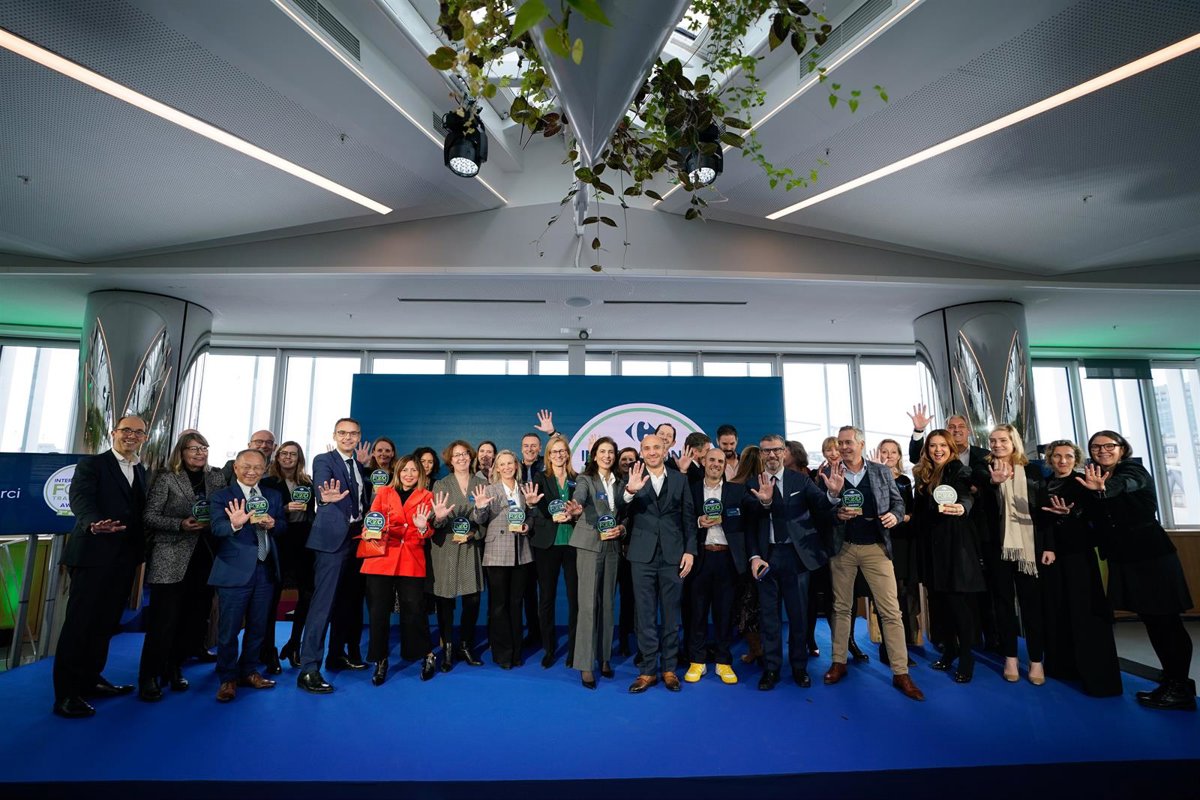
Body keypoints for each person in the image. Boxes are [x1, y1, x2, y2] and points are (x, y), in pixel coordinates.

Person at [1076, 430, 1194, 710]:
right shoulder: (1093, 477)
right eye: (1096, 447)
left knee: (1167, 622)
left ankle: (1180, 686)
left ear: (1122, 448)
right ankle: (1174, 680)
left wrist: (1103, 488)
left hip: (1152, 558)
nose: (1102, 451)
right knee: (1153, 621)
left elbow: (1124, 485)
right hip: (1126, 559)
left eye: (1109, 446)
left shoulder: (1133, 470)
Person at [52, 416, 149, 718]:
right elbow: (80, 500)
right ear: (113, 433)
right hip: (92, 556)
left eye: (138, 432)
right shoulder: (92, 465)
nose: (131, 436)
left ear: (144, 438)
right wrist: (94, 523)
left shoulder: (141, 470)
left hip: (124, 560)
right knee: (80, 625)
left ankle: (90, 680)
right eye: (126, 430)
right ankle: (66, 694)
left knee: (105, 624)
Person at [821, 427, 924, 701]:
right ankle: (838, 661)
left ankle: (901, 672)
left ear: (861, 444)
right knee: (841, 608)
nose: (844, 447)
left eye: (848, 442)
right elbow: (821, 513)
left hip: (877, 549)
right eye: (840, 443)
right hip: (843, 549)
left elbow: (898, 504)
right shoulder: (830, 472)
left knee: (891, 611)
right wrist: (835, 505)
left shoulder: (880, 471)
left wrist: (894, 516)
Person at [745, 434, 841, 691]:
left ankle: (799, 667)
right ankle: (772, 668)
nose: (772, 455)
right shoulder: (753, 483)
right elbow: (749, 523)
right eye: (767, 451)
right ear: (761, 454)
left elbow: (821, 506)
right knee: (769, 617)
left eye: (777, 450)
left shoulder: (800, 480)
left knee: (798, 616)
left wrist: (833, 494)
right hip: (766, 557)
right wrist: (764, 503)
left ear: (785, 452)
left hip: (797, 557)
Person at [138, 431, 226, 702]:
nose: (200, 453)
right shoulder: (166, 477)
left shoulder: (216, 477)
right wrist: (180, 524)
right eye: (194, 448)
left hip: (205, 558)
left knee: (192, 620)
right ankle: (149, 676)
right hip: (171, 556)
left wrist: (213, 522)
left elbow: (222, 511)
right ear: (182, 452)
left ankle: (174, 668)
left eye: (204, 448)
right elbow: (149, 516)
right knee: (163, 622)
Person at [1037, 440, 1121, 697]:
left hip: (1079, 556)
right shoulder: (1043, 484)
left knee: (1086, 613)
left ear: (1076, 459)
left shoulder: (1084, 482)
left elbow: (1098, 520)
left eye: (1068, 456)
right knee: (1057, 610)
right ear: (1049, 459)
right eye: (1057, 456)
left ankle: (1098, 678)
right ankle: (1064, 668)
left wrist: (1070, 515)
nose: (1063, 461)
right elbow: (1041, 521)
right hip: (1051, 559)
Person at [297, 418, 371, 694]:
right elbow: (322, 487)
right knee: (322, 605)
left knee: (347, 603)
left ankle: (336, 655)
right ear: (334, 435)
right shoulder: (323, 460)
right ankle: (309, 669)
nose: (348, 437)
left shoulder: (359, 466)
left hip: (356, 539)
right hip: (331, 541)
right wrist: (324, 497)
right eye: (342, 433)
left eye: (353, 434)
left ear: (359, 436)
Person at [208, 449, 287, 702]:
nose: (252, 472)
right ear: (235, 468)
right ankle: (227, 678)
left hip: (265, 570)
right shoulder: (222, 496)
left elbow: (283, 526)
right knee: (228, 629)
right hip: (234, 571)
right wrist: (235, 523)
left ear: (264, 469)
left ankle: (249, 671)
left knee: (258, 626)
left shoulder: (273, 496)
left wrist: (274, 525)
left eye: (257, 467)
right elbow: (216, 528)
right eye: (246, 467)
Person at [979, 423, 1051, 684]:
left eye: (1002, 440)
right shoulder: (983, 470)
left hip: (1029, 548)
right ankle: (1010, 657)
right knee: (1003, 605)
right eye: (993, 440)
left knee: (1032, 606)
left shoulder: (1033, 470)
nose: (997, 445)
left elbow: (1045, 510)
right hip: (997, 548)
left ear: (1013, 442)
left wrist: (1049, 546)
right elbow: (981, 508)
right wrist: (993, 483)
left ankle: (1036, 660)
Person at [624, 434, 697, 693]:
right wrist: (629, 492)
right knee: (644, 615)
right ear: (641, 452)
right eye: (647, 448)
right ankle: (647, 671)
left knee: (670, 615)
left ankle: (669, 669)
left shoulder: (679, 479)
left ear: (665, 450)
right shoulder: (632, 477)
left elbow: (689, 517)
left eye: (657, 447)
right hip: (641, 555)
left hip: (673, 556)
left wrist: (690, 551)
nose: (652, 452)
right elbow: (620, 512)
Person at [913, 429, 984, 683]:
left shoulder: (958, 469)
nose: (938, 450)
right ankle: (950, 649)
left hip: (955, 545)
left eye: (943, 445)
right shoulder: (923, 474)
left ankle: (966, 657)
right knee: (940, 602)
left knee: (957, 604)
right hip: (932, 547)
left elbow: (966, 493)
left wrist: (963, 506)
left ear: (951, 448)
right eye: (933, 445)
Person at [362, 454, 437, 685]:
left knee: (414, 608)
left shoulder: (427, 495)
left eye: (414, 470)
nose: (409, 474)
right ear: (398, 472)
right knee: (378, 611)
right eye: (405, 470)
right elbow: (371, 521)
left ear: (420, 474)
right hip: (381, 558)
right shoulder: (383, 492)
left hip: (411, 558)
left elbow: (427, 532)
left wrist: (423, 528)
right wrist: (372, 530)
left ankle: (425, 654)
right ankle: (380, 659)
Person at [684, 447, 748, 686]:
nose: (716, 464)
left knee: (725, 612)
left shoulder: (736, 491)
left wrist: (726, 519)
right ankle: (697, 661)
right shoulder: (691, 490)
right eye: (712, 460)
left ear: (724, 465)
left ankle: (723, 661)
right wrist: (699, 521)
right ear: (703, 461)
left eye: (720, 461)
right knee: (697, 612)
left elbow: (746, 520)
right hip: (700, 558)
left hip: (726, 559)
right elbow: (683, 521)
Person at [570, 437, 626, 689]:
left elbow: (625, 513)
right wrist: (576, 507)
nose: (607, 456)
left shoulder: (621, 482)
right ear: (594, 455)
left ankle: (604, 658)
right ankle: (585, 664)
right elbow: (580, 497)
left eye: (611, 452)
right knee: (588, 606)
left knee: (607, 605)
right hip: (589, 545)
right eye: (602, 451)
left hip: (612, 546)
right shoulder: (586, 479)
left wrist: (622, 528)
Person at [472, 449, 535, 670]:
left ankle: (516, 652)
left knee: (516, 604)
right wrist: (480, 507)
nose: (507, 467)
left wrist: (527, 526)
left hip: (521, 552)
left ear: (516, 466)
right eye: (503, 464)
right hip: (497, 553)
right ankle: (502, 654)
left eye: (510, 463)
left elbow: (531, 516)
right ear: (497, 468)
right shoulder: (490, 490)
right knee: (499, 605)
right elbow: (480, 518)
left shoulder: (525, 489)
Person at [429, 440, 487, 670]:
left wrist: (474, 533)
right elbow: (435, 522)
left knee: (472, 600)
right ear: (450, 461)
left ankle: (465, 645)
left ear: (470, 457)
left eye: (464, 454)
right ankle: (448, 648)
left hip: (470, 546)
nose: (461, 458)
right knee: (445, 601)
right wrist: (439, 517)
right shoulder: (441, 484)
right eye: (456, 455)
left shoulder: (481, 484)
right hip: (446, 547)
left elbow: (486, 520)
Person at [528, 433, 581, 668]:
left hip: (573, 544)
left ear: (568, 454)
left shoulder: (578, 478)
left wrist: (575, 515)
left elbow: (582, 506)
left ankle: (575, 650)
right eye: (554, 451)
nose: (559, 455)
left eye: (562, 451)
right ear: (548, 456)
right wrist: (550, 515)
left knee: (575, 599)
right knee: (546, 598)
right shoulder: (540, 477)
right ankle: (549, 649)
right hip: (547, 545)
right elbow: (537, 504)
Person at [270, 442, 316, 670]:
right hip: (279, 542)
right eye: (284, 454)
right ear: (278, 457)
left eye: (293, 454)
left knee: (307, 594)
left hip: (304, 543)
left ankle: (294, 643)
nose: (288, 457)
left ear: (299, 458)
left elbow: (312, 514)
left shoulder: (307, 482)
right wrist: (285, 509)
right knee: (272, 596)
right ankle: (268, 649)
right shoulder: (267, 483)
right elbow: (261, 512)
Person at [874, 438, 920, 658]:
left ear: (900, 456)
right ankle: (886, 646)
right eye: (885, 451)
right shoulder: (873, 478)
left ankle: (903, 643)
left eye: (893, 452)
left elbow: (910, 511)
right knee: (884, 593)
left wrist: (902, 517)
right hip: (881, 541)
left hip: (902, 542)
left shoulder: (904, 480)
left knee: (901, 592)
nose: (889, 456)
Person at [730, 445, 764, 665]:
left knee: (745, 604)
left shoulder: (733, 486)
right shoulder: (767, 486)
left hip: (740, 556)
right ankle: (761, 650)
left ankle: (755, 649)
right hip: (765, 551)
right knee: (760, 604)